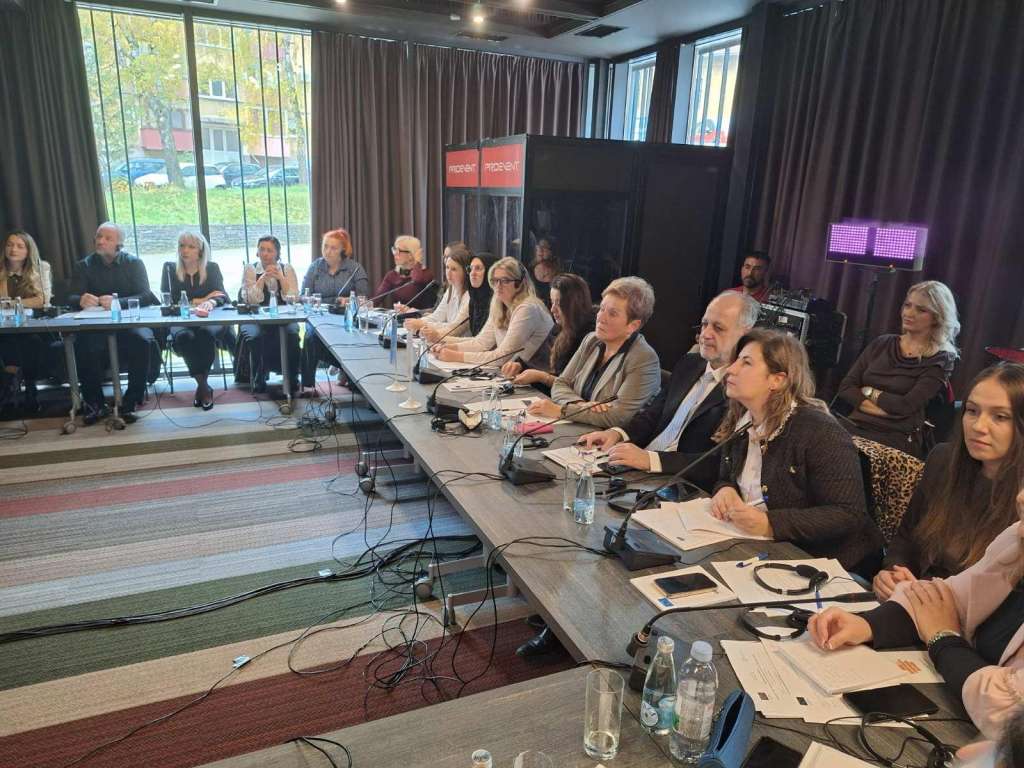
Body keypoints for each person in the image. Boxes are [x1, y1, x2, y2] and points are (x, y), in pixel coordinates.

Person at [808, 487, 1024, 741]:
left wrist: (943, 637)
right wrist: (867, 624)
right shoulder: (1016, 539)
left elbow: (1007, 708)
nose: (1020, 497)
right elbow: (946, 599)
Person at [709, 329, 884, 573]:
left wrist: (769, 523)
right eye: (736, 360)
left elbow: (848, 514)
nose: (731, 369)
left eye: (746, 363)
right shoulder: (742, 419)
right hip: (758, 547)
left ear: (777, 380)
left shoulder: (820, 431)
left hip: (825, 563)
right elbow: (725, 476)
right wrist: (725, 489)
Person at [577, 291, 759, 490]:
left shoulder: (744, 389)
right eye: (705, 324)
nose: (706, 334)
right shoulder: (689, 363)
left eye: (718, 328)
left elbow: (719, 462)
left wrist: (652, 460)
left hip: (681, 484)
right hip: (638, 470)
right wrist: (617, 434)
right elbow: (652, 415)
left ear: (745, 334)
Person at [873, 363, 1024, 600]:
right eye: (972, 411)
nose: (978, 426)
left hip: (967, 617)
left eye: (1000, 417)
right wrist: (893, 574)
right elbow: (906, 538)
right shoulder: (942, 460)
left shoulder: (1020, 500)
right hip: (912, 602)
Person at [837, 280, 959, 457]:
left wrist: (868, 391)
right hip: (855, 424)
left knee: (846, 456)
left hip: (896, 437)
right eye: (907, 305)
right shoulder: (882, 343)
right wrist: (884, 411)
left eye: (921, 310)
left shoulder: (942, 359)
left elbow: (905, 406)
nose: (909, 313)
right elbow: (846, 387)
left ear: (937, 318)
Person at [526, 276, 660, 430]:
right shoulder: (591, 340)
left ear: (633, 325)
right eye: (602, 308)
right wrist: (580, 405)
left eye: (612, 313)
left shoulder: (644, 359)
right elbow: (560, 383)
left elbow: (618, 416)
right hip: (576, 428)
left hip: (606, 439)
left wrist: (562, 410)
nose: (601, 317)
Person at [68, 222, 158, 424]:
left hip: (128, 324)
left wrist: (118, 303)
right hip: (95, 326)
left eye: (107, 238)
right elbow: (70, 297)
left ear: (119, 244)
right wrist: (80, 299)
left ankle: (132, 400)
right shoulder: (84, 266)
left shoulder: (134, 263)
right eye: (98, 237)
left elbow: (146, 296)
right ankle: (94, 404)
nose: (100, 241)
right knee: (83, 345)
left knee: (142, 340)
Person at [433, 257, 553, 371]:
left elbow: (501, 357)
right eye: (495, 281)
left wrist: (455, 356)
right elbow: (481, 343)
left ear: (519, 283)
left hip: (537, 377)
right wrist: (448, 347)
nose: (498, 286)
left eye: (505, 281)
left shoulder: (528, 308)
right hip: (515, 373)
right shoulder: (499, 304)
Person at [160, 231, 229, 410]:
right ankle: (204, 387)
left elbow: (222, 295)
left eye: (191, 247)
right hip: (180, 321)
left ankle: (202, 388)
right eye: (182, 246)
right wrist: (201, 299)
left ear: (200, 251)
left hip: (208, 319)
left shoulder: (211, 268)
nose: (185, 250)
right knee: (185, 337)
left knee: (205, 333)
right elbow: (168, 300)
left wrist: (211, 302)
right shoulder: (169, 268)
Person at [500, 272, 594, 395]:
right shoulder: (559, 327)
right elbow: (540, 362)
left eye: (559, 303)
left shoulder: (589, 337)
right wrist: (519, 365)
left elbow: (576, 387)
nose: (552, 309)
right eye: (552, 302)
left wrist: (541, 377)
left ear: (575, 304)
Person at [299, 229, 369, 389]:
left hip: (345, 318)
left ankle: (347, 371)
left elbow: (363, 298)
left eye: (333, 248)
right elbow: (303, 295)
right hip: (319, 317)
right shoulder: (315, 267)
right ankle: (308, 386)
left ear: (343, 250)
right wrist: (312, 300)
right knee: (310, 339)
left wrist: (349, 300)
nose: (327, 251)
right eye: (325, 246)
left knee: (353, 339)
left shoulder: (355, 268)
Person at [239, 235, 300, 394]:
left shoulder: (287, 269)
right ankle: (258, 377)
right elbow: (250, 299)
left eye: (269, 250)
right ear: (257, 252)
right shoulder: (251, 269)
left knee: (292, 333)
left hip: (283, 317)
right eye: (262, 249)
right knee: (255, 336)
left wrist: (280, 277)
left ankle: (292, 376)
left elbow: (294, 297)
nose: (265, 254)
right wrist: (262, 278)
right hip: (255, 317)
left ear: (277, 253)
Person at [0, 230, 54, 411]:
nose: (13, 249)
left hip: (34, 325)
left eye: (19, 246)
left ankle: (29, 388)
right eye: (10, 245)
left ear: (28, 251)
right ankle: (9, 384)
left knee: (31, 341)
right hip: (5, 326)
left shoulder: (41, 268)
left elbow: (43, 300)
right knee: (7, 340)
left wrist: (12, 304)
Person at [404, 242, 471, 343]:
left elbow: (454, 329)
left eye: (454, 269)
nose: (448, 273)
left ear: (465, 272)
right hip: (444, 341)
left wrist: (422, 324)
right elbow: (437, 316)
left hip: (459, 343)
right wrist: (417, 322)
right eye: (447, 267)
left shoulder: (469, 296)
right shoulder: (451, 289)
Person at [372, 235, 435, 309]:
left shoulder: (425, 274)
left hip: (421, 315)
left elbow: (417, 279)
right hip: (400, 315)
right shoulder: (392, 275)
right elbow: (376, 299)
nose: (395, 254)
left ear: (411, 255)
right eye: (394, 250)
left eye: (399, 251)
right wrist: (364, 305)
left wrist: (417, 261)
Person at [466, 252, 498, 337]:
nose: (472, 273)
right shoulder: (474, 298)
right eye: (470, 269)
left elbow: (483, 342)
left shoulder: (497, 301)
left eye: (478, 268)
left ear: (489, 272)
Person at [531, 237, 561, 307]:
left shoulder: (560, 273)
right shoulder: (529, 270)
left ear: (552, 252)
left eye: (544, 247)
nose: (540, 250)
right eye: (538, 247)